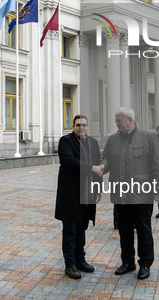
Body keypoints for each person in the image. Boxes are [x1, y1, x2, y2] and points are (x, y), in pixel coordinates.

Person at [101, 107, 159, 280]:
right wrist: (102, 167)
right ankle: (128, 262)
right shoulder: (113, 140)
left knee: (144, 230)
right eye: (116, 120)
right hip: (120, 195)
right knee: (125, 231)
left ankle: (145, 264)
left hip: (141, 194)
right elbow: (106, 158)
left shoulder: (148, 137)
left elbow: (158, 165)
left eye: (119, 120)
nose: (116, 123)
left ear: (130, 120)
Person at [55, 115, 103, 279]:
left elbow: (99, 165)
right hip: (71, 193)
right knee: (70, 229)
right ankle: (70, 264)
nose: (81, 128)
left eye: (84, 125)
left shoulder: (93, 143)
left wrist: (98, 189)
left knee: (82, 227)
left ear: (87, 126)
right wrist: (92, 168)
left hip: (88, 192)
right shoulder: (65, 141)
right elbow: (69, 161)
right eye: (77, 125)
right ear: (73, 126)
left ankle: (80, 260)